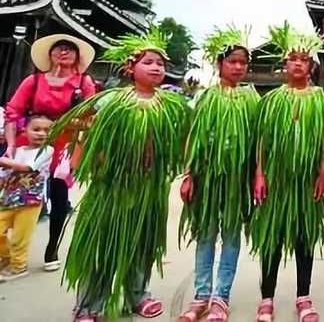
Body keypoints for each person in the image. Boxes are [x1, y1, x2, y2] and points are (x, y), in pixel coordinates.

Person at [49, 28, 190, 321]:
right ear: (130, 67)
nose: (156, 67)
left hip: (149, 186)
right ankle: (89, 304)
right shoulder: (110, 102)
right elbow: (86, 135)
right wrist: (78, 165)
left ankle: (137, 295)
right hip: (111, 186)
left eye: (161, 64)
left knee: (142, 242)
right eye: (149, 61)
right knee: (102, 244)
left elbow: (181, 141)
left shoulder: (171, 105)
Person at [252, 22, 324, 322]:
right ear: (285, 64)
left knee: (304, 238)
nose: (298, 64)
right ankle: (267, 298)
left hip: (307, 183)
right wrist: (260, 174)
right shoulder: (273, 100)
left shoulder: (319, 99)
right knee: (272, 239)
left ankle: (304, 296)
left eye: (304, 60)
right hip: (277, 180)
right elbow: (262, 139)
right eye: (293, 59)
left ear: (311, 66)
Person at [178, 26, 260, 322]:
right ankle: (201, 295)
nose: (238, 67)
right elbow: (192, 137)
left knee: (232, 236)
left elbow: (259, 142)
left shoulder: (252, 99)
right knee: (206, 234)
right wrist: (188, 175)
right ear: (219, 64)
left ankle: (221, 297)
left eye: (243, 62)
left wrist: (257, 176)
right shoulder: (204, 98)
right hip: (207, 177)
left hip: (238, 180)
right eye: (232, 61)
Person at [3, 34, 96, 271]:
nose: (63, 52)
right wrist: (12, 146)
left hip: (64, 146)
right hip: (30, 142)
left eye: (69, 49)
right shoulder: (33, 81)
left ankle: (52, 248)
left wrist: (72, 133)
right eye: (58, 48)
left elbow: (92, 118)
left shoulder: (83, 83)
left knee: (58, 197)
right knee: (13, 196)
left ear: (77, 57)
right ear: (49, 54)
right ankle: (7, 250)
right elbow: (13, 111)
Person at [0, 114, 53, 281]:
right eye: (36, 129)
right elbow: (6, 174)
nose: (41, 134)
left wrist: (3, 161)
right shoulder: (18, 151)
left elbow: (28, 168)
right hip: (9, 199)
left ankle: (18, 266)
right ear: (25, 130)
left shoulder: (47, 151)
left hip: (31, 202)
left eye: (46, 130)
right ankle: (6, 257)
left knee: (20, 237)